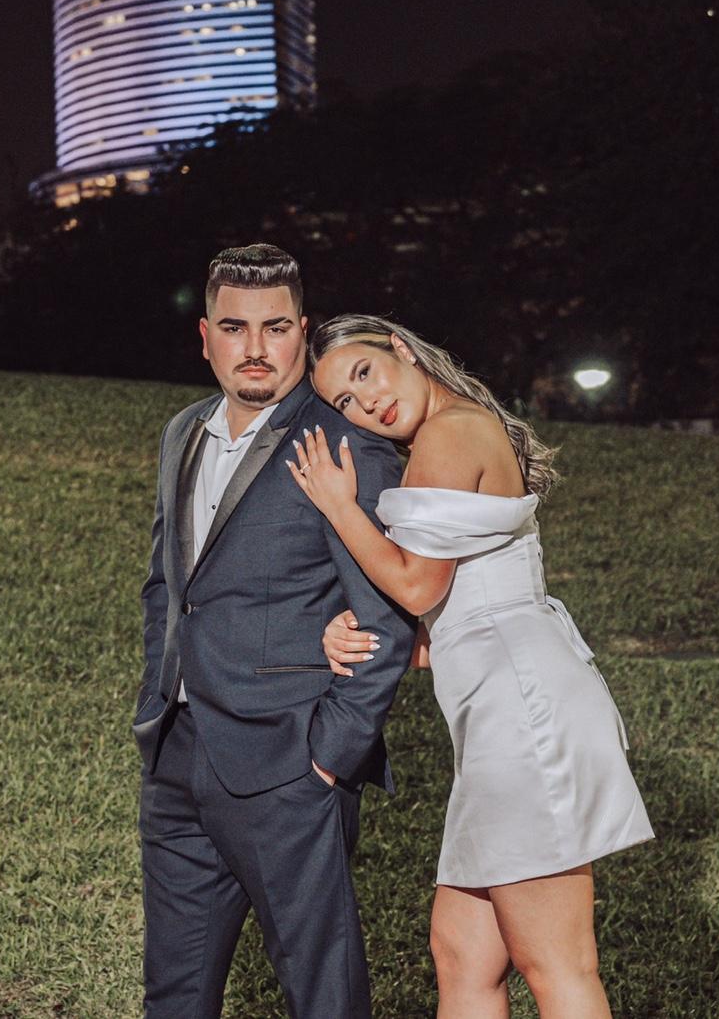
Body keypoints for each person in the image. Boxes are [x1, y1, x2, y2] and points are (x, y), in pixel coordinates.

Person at [287, 314, 654, 1019]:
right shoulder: (448, 432)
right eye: (345, 402)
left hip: (523, 716)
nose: (367, 403)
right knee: (462, 955)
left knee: (557, 965)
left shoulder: (450, 433)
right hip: (503, 707)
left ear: (400, 348)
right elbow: (450, 620)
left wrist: (338, 504)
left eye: (365, 372)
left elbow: (417, 585)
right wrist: (347, 633)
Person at [133, 249, 415, 1019]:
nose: (255, 348)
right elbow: (166, 586)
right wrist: (157, 699)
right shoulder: (184, 432)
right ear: (205, 337)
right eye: (234, 327)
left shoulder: (343, 442)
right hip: (177, 756)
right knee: (174, 995)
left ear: (303, 332)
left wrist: (330, 755)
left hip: (289, 765)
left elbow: (386, 616)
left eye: (276, 328)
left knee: (321, 995)